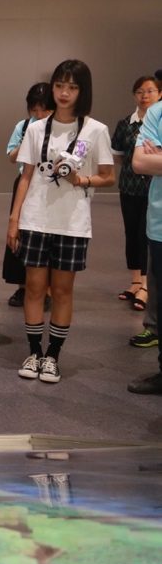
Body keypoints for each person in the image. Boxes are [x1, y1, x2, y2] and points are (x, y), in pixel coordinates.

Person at [8, 60, 114, 385]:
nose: (64, 93)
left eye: (72, 87)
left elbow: (108, 176)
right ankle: (33, 352)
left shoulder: (95, 130)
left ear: (83, 91)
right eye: (59, 85)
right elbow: (26, 176)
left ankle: (53, 356)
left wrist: (81, 180)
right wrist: (14, 218)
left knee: (63, 291)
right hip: (35, 219)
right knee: (34, 288)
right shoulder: (36, 128)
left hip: (72, 222)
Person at [3, 84, 55, 308]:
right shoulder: (24, 126)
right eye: (35, 109)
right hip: (25, 182)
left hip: (51, 184)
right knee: (19, 233)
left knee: (48, 236)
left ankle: (47, 290)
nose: (40, 114)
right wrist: (26, 141)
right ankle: (22, 287)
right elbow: (11, 157)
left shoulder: (61, 127)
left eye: (45, 109)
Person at [113, 75, 159, 319]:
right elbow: (119, 154)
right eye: (140, 91)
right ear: (134, 95)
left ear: (159, 94)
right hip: (129, 186)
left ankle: (145, 286)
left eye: (150, 91)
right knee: (131, 233)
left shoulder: (158, 122)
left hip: (153, 188)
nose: (145, 96)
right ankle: (134, 282)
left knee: (146, 235)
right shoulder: (125, 124)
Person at [127, 91, 162, 395]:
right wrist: (150, 159)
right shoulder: (157, 112)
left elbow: (152, 161)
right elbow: (139, 162)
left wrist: (159, 156)